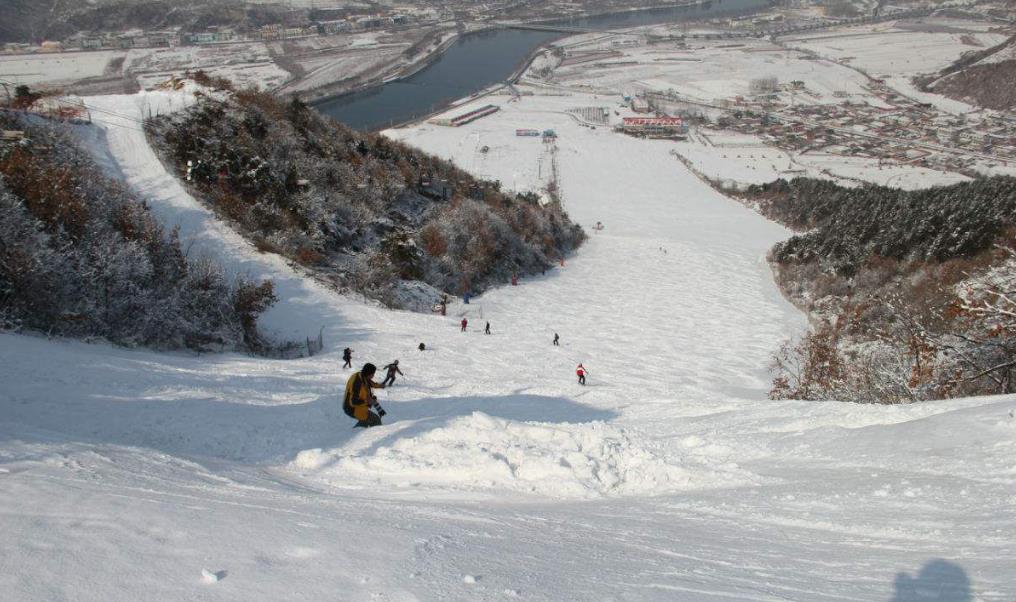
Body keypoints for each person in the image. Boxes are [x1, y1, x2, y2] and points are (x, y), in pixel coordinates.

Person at [344, 363, 386, 428]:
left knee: (372, 421)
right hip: (351, 408)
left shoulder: (363, 377)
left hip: (359, 407)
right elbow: (353, 402)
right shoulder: (357, 382)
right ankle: (356, 433)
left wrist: (380, 386)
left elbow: (371, 383)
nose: (373, 376)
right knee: (372, 421)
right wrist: (367, 401)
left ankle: (366, 433)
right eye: (372, 374)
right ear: (368, 373)